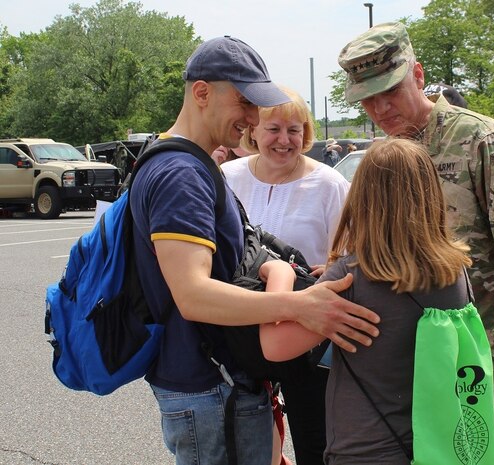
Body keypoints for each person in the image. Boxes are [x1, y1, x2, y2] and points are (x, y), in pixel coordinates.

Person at [128, 35, 380, 465]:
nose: (250, 117)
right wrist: (298, 305)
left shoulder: (195, 166)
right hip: (210, 387)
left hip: (225, 383)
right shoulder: (181, 174)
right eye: (244, 102)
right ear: (202, 92)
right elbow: (192, 296)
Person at [337, 22, 494, 465]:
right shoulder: (386, 152)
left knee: (477, 454)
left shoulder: (478, 140)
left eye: (390, 91)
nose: (380, 108)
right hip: (406, 356)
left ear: (418, 76)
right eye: (367, 98)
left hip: (475, 351)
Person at [259, 137, 475, 464]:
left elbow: (275, 347)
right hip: (435, 445)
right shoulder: (453, 270)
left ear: (362, 197)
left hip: (365, 449)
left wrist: (280, 274)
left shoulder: (353, 276)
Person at [221, 86, 350, 465]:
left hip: (306, 338)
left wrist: (334, 264)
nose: (284, 140)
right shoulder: (227, 177)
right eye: (273, 128)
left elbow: (350, 252)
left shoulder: (329, 184)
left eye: (295, 130)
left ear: (307, 135)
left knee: (316, 443)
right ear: (253, 132)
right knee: (252, 447)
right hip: (241, 332)